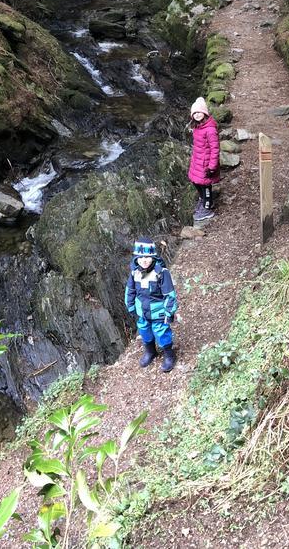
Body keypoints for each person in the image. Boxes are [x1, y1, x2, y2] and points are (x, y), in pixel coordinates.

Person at [125, 237, 178, 373]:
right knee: (144, 330)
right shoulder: (135, 272)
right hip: (142, 311)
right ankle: (150, 351)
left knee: (161, 331)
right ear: (136, 257)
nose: (144, 260)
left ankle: (169, 354)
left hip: (158, 311)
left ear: (153, 257)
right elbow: (130, 290)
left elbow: (169, 294)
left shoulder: (161, 273)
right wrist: (130, 306)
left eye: (148, 257)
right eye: (141, 257)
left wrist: (169, 312)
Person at [188, 96, 220, 221]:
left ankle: (207, 209)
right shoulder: (197, 127)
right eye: (194, 113)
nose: (196, 115)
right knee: (195, 181)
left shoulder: (210, 129)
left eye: (199, 112)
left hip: (206, 164)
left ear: (205, 113)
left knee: (206, 185)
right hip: (198, 161)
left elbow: (215, 149)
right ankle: (203, 200)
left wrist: (212, 167)